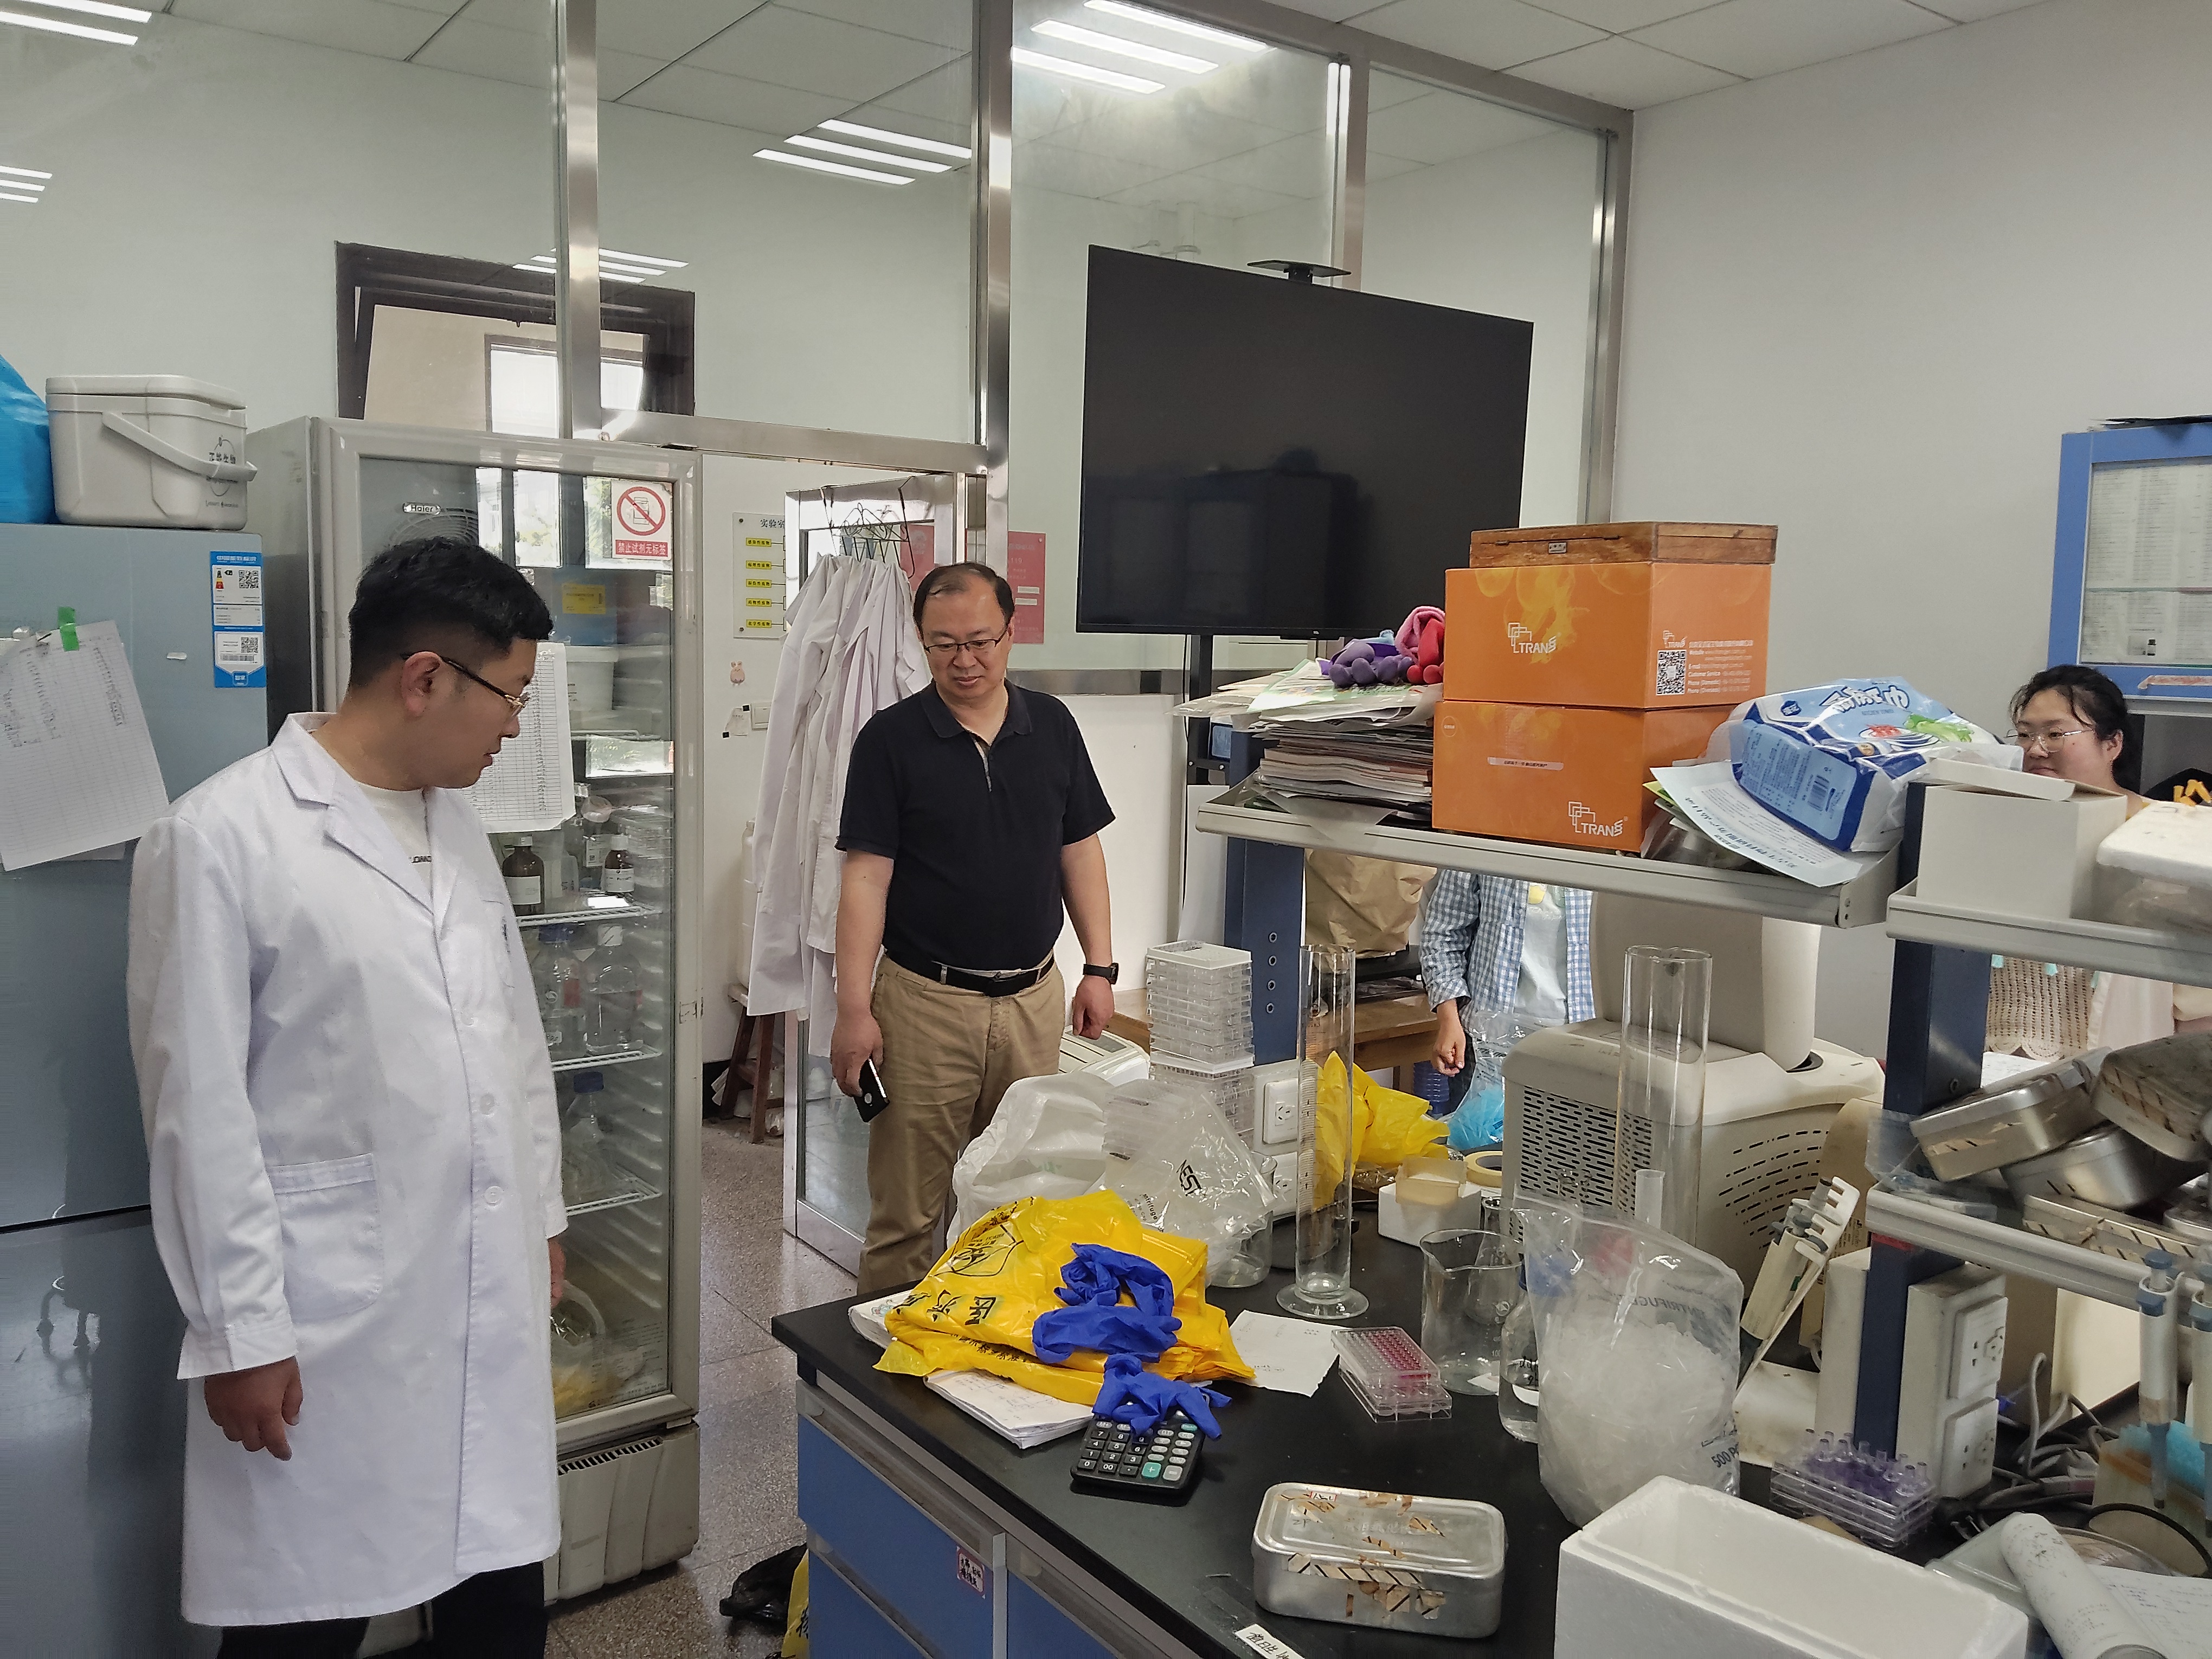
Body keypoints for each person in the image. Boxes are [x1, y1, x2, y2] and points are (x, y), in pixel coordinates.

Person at [127, 538, 565, 1656]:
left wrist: (545, 1218)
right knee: (308, 1618)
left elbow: (512, 1042)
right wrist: (238, 1333)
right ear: (425, 679)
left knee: (497, 1595)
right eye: (510, 696)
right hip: (327, 1319)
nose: (516, 726)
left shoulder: (453, 824)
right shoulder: (218, 838)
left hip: (479, 1282)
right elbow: (197, 1113)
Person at [830, 562, 1118, 1296]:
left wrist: (1100, 968)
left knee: (1021, 1203)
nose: (965, 660)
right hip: (924, 1006)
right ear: (922, 643)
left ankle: (996, 1346)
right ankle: (889, 1360)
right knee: (906, 1218)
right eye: (944, 644)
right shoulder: (890, 741)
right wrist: (853, 1009)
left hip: (1033, 1003)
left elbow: (1079, 849)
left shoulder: (1052, 725)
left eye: (981, 641)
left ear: (1011, 634)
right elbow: (865, 880)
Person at [1988, 664, 2212, 1056]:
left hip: (2124, 1062)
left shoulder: (2169, 834)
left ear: (2112, 744)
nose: (2035, 749)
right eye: (2025, 734)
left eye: (2055, 734)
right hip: (1996, 1055)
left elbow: (2199, 1001)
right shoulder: (1997, 829)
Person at [1419, 874, 1596, 1127]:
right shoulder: (1489, 849)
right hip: (1487, 1045)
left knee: (1573, 1145)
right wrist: (1449, 1021)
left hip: (1584, 1046)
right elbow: (1443, 935)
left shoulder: (1612, 853)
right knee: (1481, 1146)